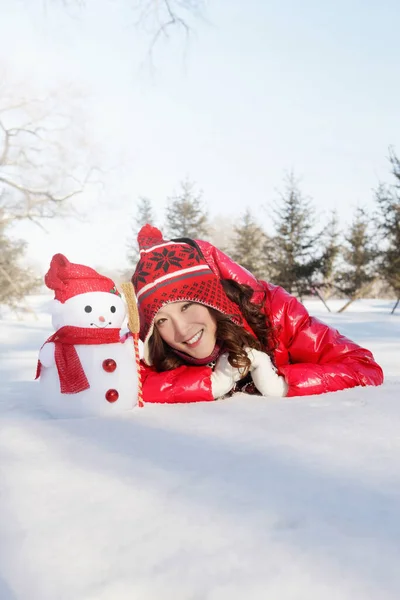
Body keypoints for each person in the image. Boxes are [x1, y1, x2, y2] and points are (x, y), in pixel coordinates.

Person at [131, 224, 384, 404]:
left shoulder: (275, 311)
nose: (182, 330)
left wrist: (282, 383)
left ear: (213, 300)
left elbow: (364, 367)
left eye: (187, 306)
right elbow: (126, 387)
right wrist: (209, 382)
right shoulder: (155, 351)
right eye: (162, 320)